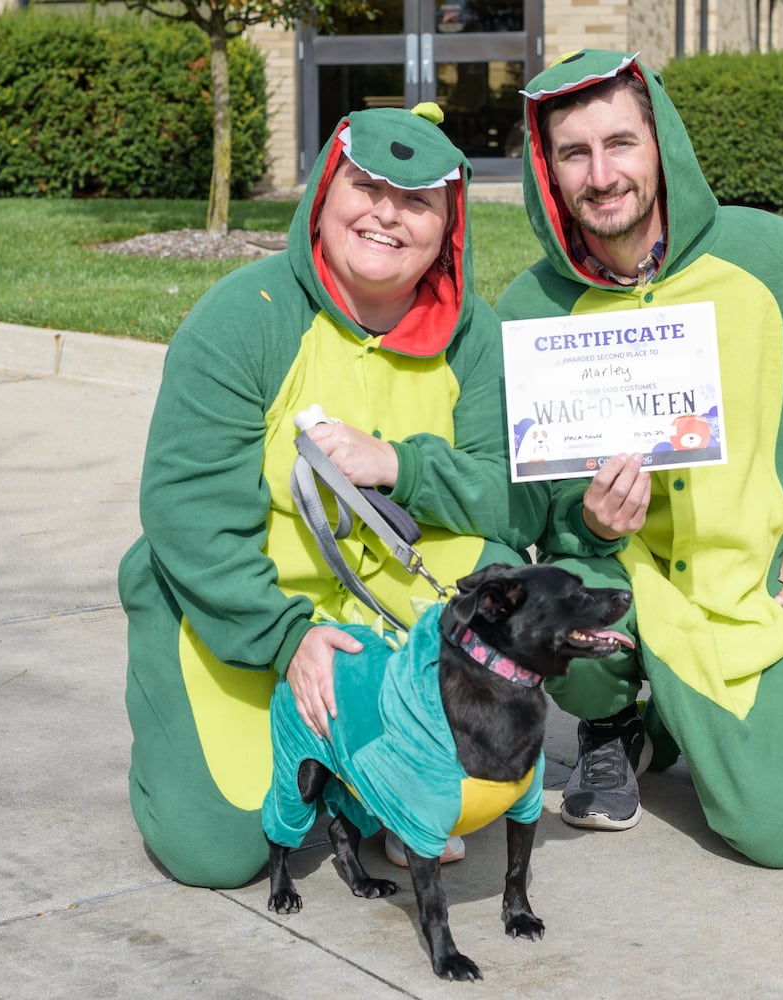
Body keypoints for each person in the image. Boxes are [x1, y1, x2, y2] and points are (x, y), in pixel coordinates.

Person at [495, 51, 783, 868]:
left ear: (662, 145)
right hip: (622, 573)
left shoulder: (774, 256)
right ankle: (614, 719)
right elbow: (517, 496)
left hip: (757, 582)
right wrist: (582, 521)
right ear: (546, 168)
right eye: (574, 152)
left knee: (782, 831)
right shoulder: (528, 309)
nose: (602, 173)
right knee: (568, 608)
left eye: (621, 142)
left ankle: (679, 715)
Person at [120, 104, 546, 888]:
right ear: (324, 192)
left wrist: (400, 464)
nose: (387, 212)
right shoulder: (244, 319)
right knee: (215, 853)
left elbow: (513, 508)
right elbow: (188, 506)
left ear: (449, 226)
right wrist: (286, 641)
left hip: (393, 624)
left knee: (493, 566)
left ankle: (365, 781)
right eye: (366, 185)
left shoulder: (476, 336)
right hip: (246, 614)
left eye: (417, 200)